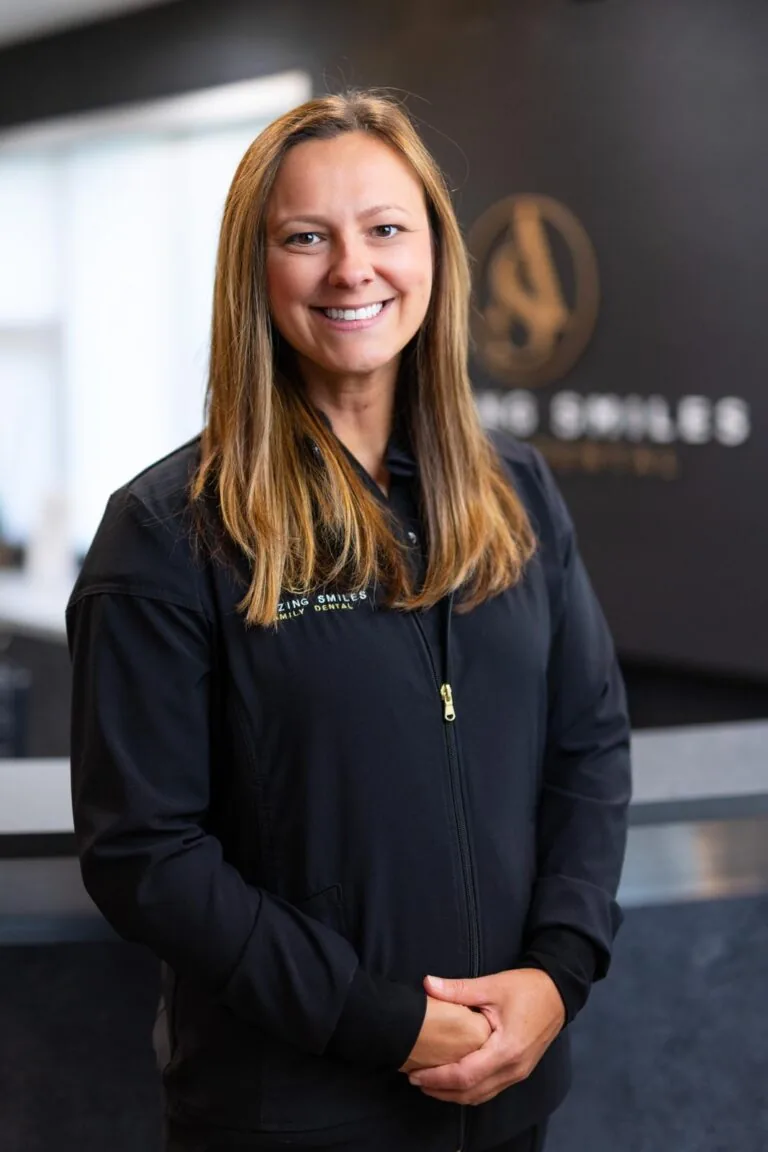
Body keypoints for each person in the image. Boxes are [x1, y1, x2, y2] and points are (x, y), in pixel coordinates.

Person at [66, 90, 631, 1152]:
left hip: (509, 1096)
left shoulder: (516, 493)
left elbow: (588, 745)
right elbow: (147, 853)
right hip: (294, 1114)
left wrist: (558, 973)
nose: (351, 268)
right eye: (305, 237)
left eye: (385, 228)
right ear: (254, 270)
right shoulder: (168, 531)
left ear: (434, 255)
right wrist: (386, 1024)